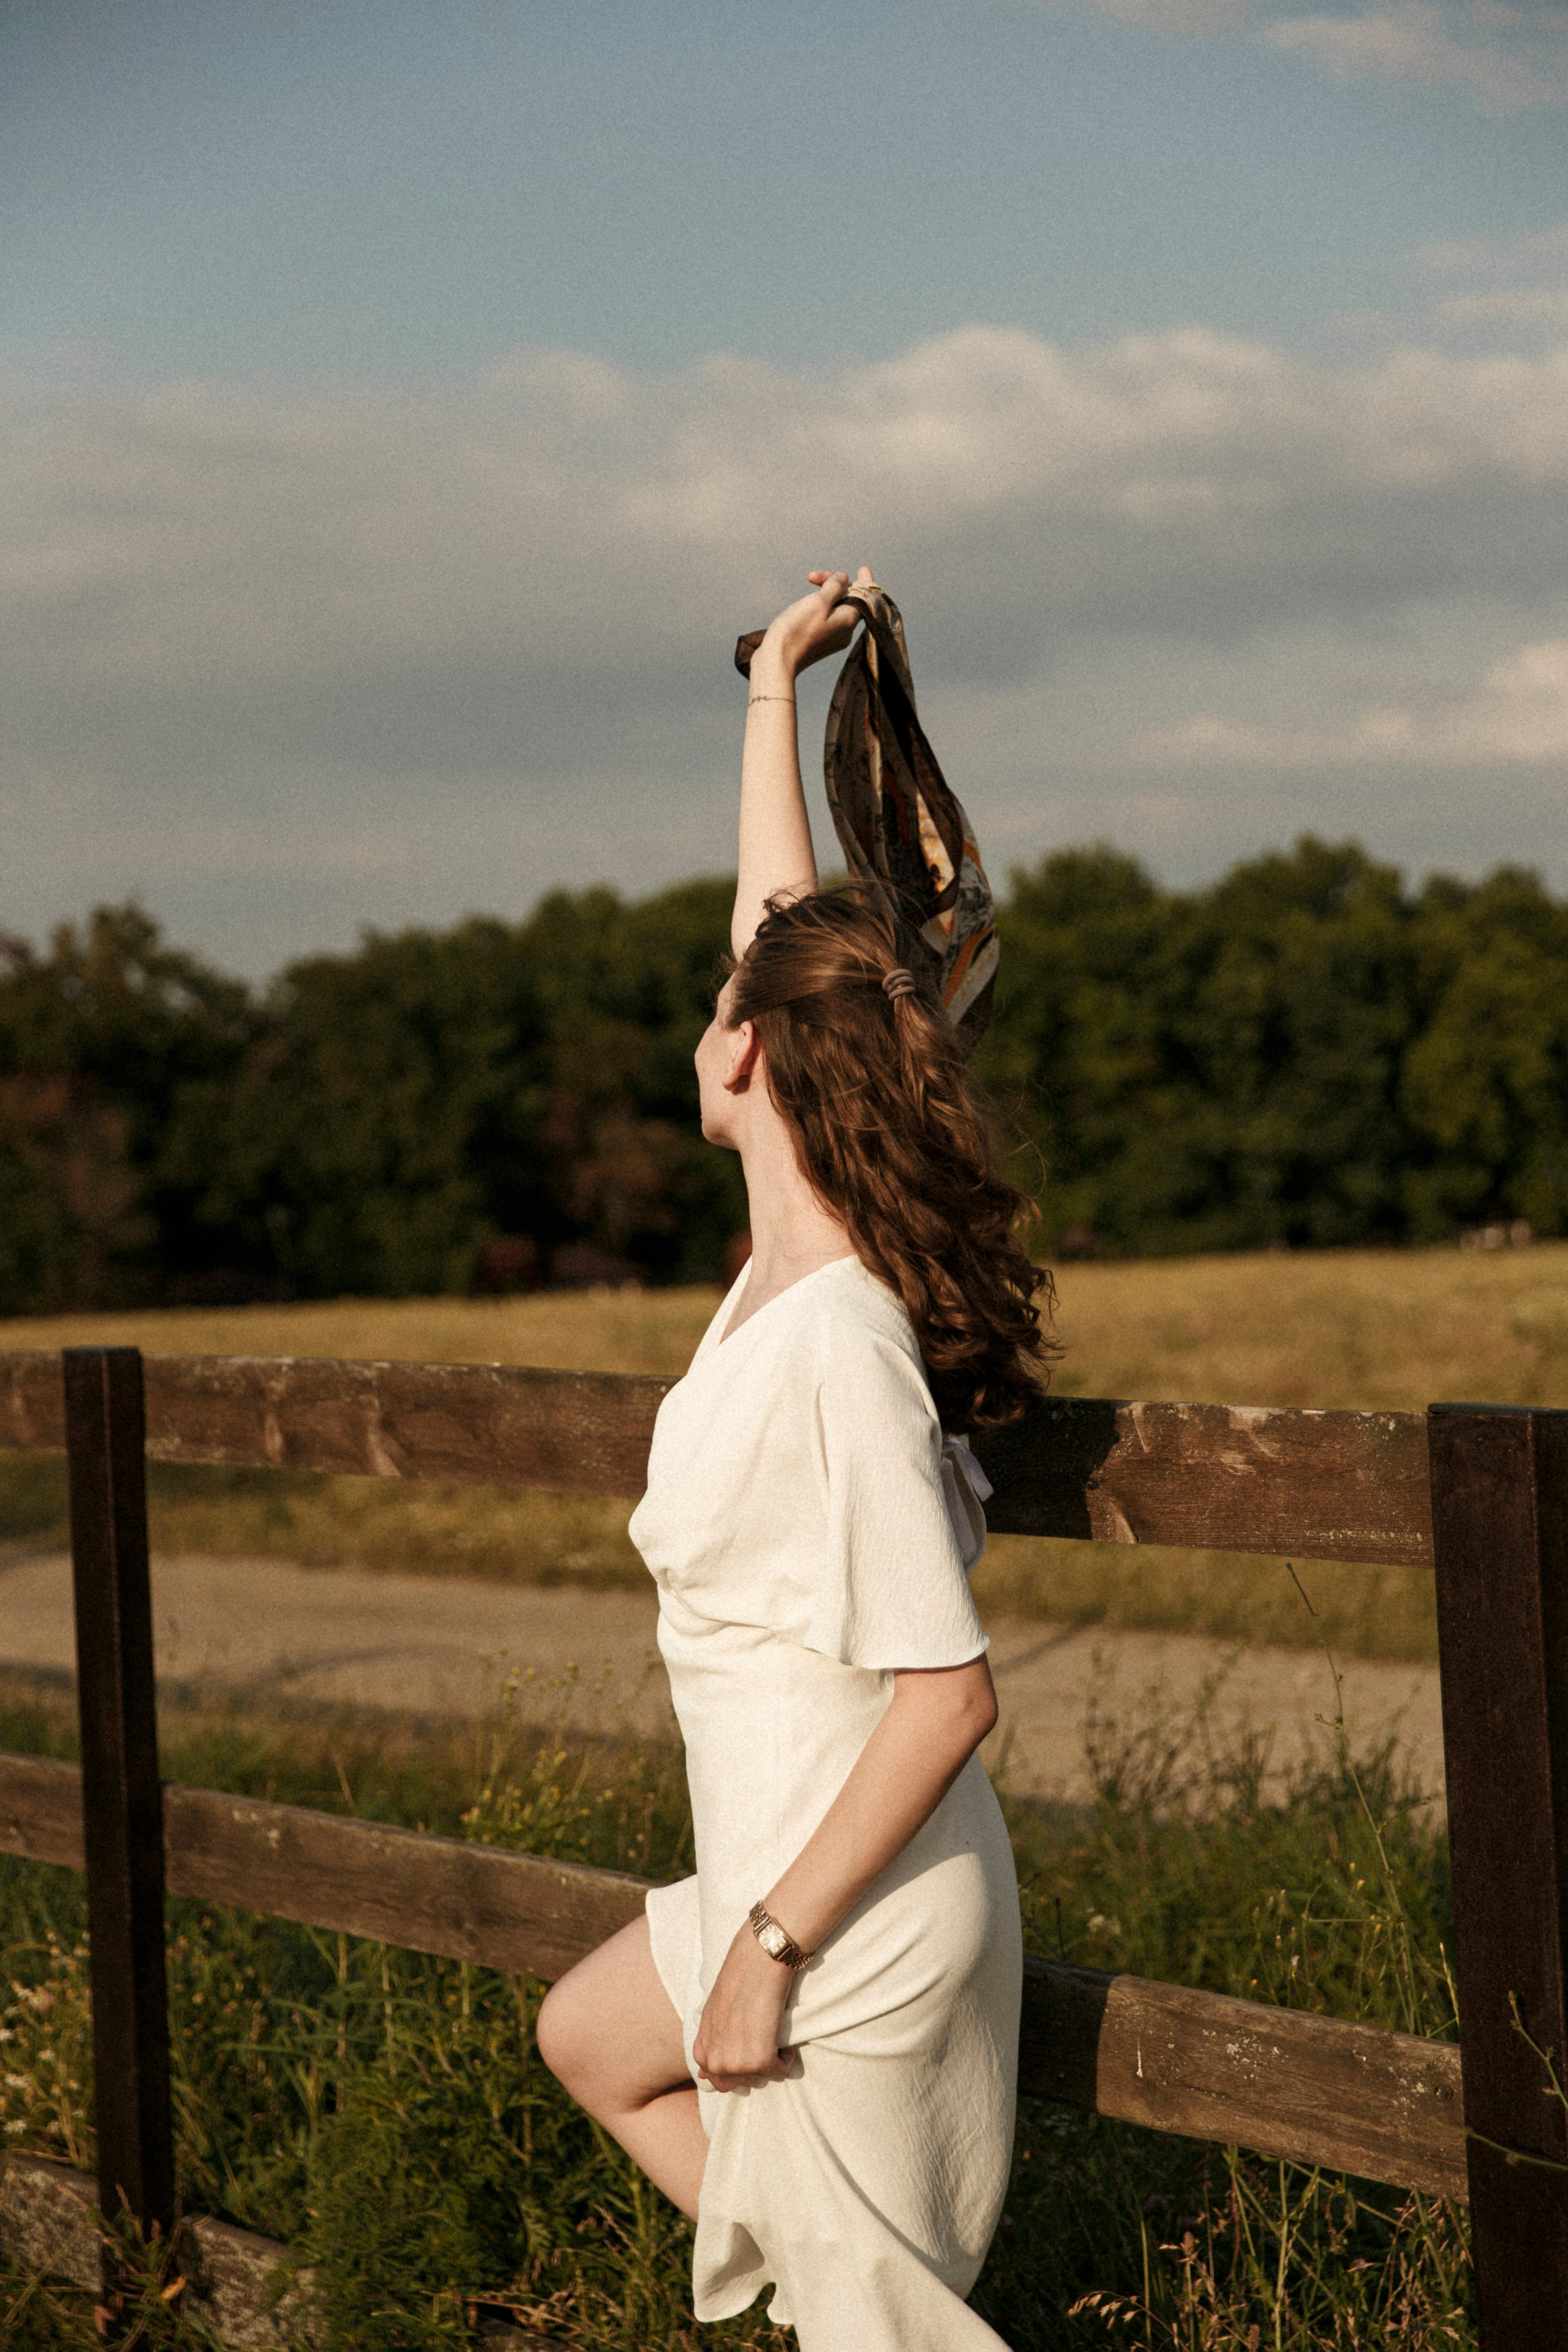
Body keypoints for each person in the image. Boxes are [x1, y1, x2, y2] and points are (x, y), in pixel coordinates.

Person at [537, 568, 1049, 2350]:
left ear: (747, 1053)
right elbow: (778, 924)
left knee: (889, 2336)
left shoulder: (838, 1341)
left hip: (848, 1913)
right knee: (589, 2040)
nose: (708, 1009)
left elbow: (948, 1698)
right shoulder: (789, 1262)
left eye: (721, 1000)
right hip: (780, 1865)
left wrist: (769, 1952)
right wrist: (772, 686)